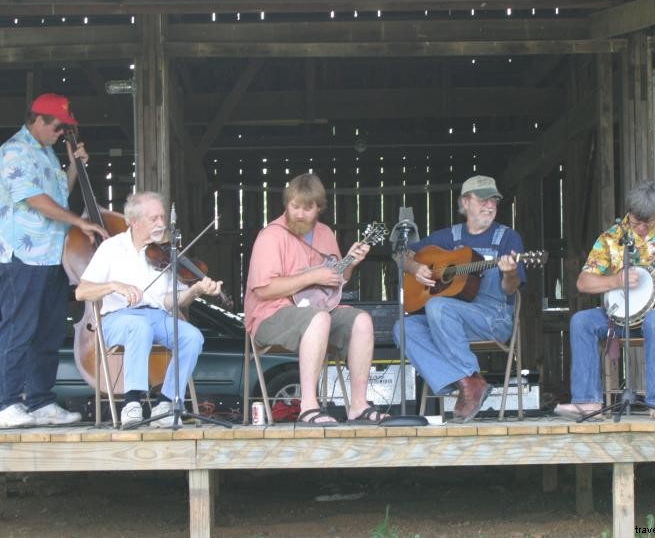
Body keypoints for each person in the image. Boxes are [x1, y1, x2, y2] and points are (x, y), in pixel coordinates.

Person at [554, 181, 655, 421]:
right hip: (622, 317)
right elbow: (583, 283)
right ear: (628, 213)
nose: (643, 228)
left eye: (649, 222)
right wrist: (617, 280)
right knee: (581, 320)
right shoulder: (611, 238)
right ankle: (587, 402)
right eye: (637, 222)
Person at [244, 173, 388, 426]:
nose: (299, 214)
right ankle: (308, 407)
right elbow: (264, 290)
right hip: (271, 315)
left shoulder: (325, 234)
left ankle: (358, 405)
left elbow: (334, 282)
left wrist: (350, 264)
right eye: (294, 206)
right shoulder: (271, 236)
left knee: (362, 321)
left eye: (307, 208)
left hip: (318, 310)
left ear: (318, 208)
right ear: (286, 204)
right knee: (319, 319)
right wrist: (311, 276)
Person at [0, 93, 109, 429]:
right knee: (19, 329)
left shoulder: (46, 154)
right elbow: (36, 201)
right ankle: (5, 404)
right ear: (38, 120)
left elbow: (62, 194)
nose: (62, 133)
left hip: (52, 255)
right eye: (59, 126)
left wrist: (75, 166)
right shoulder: (14, 152)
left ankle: (39, 401)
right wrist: (80, 222)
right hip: (23, 256)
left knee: (48, 331)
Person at [75, 191, 223, 427]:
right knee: (138, 325)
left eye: (163, 218)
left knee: (192, 337)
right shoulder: (111, 248)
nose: (161, 224)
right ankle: (131, 402)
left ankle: (166, 402)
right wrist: (114, 285)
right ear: (133, 222)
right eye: (154, 219)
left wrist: (195, 291)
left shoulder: (164, 253)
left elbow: (169, 302)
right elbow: (81, 291)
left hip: (157, 316)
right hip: (117, 319)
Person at [392, 175, 526, 423]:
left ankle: (466, 381)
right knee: (403, 327)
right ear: (465, 202)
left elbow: (509, 290)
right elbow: (401, 255)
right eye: (483, 199)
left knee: (438, 305)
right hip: (446, 319)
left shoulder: (507, 238)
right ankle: (469, 382)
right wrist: (413, 269)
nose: (490, 206)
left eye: (494, 201)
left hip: (491, 318)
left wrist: (509, 274)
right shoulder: (448, 237)